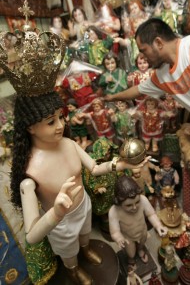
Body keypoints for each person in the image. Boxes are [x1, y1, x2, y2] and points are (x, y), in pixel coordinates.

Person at [1, 23, 150, 285]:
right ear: (30, 127)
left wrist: (122, 163)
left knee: (84, 235)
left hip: (84, 206)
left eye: (60, 117)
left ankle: (86, 249)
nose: (60, 125)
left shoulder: (69, 144)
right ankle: (71, 268)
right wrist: (56, 212)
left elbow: (93, 169)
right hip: (59, 222)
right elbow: (33, 235)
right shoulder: (30, 173)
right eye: (50, 122)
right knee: (67, 250)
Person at [104, 18, 190, 135]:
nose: (143, 57)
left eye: (144, 51)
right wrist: (112, 97)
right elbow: (137, 90)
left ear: (158, 43)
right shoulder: (162, 74)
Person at [109, 175, 167, 268]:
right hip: (128, 238)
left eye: (137, 202)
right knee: (131, 253)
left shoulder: (143, 200)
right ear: (119, 202)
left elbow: (151, 214)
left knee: (141, 245)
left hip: (143, 231)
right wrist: (119, 238)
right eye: (128, 205)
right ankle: (131, 259)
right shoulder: (114, 211)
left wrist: (158, 225)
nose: (135, 207)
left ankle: (140, 250)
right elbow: (115, 231)